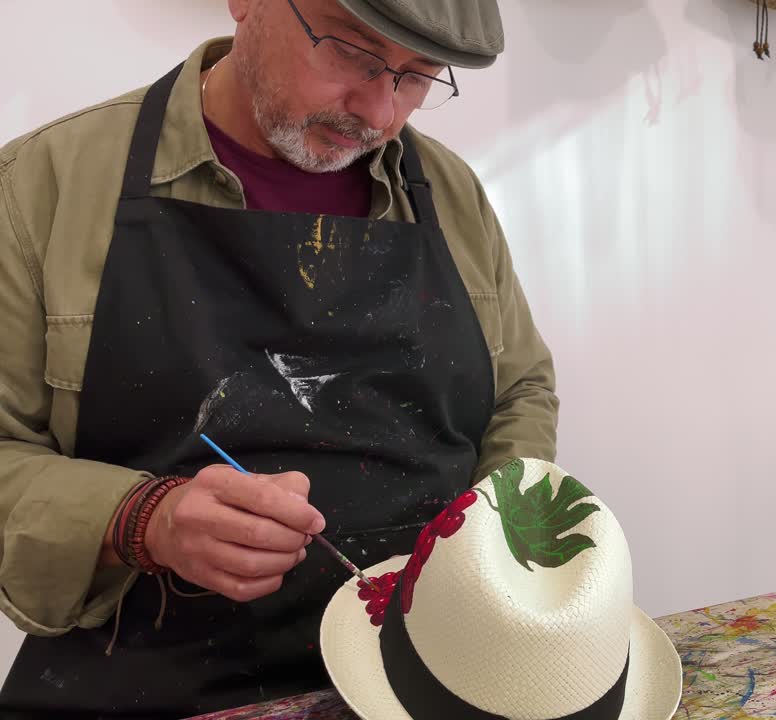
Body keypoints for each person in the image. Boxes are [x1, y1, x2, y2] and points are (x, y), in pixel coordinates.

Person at [0, 0, 558, 716]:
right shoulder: (43, 184)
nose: (379, 112)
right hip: (151, 685)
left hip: (425, 670)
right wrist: (143, 519)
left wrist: (496, 535)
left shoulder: (450, 194)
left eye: (419, 76)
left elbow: (521, 390)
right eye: (352, 53)